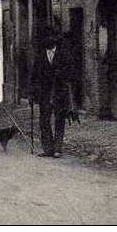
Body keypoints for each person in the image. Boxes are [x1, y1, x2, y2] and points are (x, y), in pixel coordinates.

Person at [31, 26, 77, 158]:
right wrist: (32, 92)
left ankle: (57, 148)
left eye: (50, 37)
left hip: (59, 92)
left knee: (59, 120)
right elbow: (34, 76)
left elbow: (71, 73)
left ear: (55, 39)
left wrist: (61, 75)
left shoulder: (64, 54)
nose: (47, 40)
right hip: (44, 94)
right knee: (44, 121)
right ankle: (47, 149)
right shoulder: (40, 56)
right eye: (45, 38)